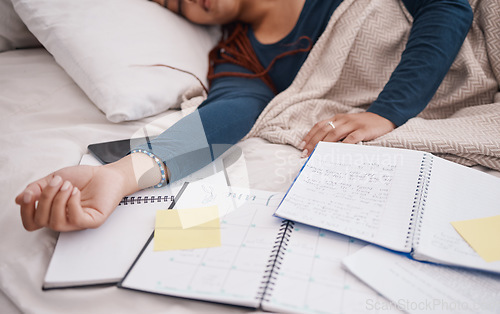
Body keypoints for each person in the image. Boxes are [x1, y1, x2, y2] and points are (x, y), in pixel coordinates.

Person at [15, 0, 473, 232]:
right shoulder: (244, 58)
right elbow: (223, 118)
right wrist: (121, 174)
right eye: (176, 5)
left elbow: (447, 5)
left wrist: (387, 111)